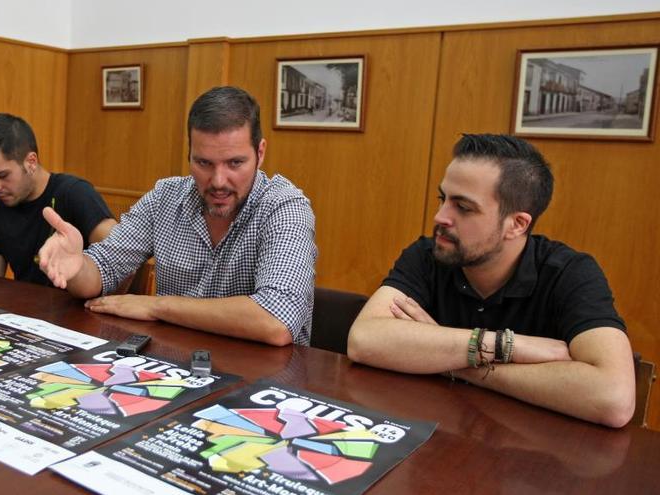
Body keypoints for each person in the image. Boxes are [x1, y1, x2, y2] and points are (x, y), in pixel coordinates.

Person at [347, 134, 634, 427]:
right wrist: (507, 346)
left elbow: (614, 398)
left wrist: (455, 362)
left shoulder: (570, 273)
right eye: (442, 199)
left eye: (464, 207)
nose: (440, 217)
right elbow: (364, 340)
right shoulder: (427, 254)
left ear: (517, 224)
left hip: (532, 460)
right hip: (437, 442)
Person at [38, 86, 317, 346]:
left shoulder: (284, 206)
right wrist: (76, 267)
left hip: (263, 382)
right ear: (189, 155)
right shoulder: (165, 197)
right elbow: (102, 271)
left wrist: (158, 306)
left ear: (260, 152)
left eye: (235, 163)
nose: (219, 180)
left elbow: (277, 320)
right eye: (204, 162)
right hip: (175, 367)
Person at [0, 113, 116, 285]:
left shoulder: (74, 193)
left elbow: (123, 251)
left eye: (2, 175)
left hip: (81, 308)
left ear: (31, 162)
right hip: (25, 308)